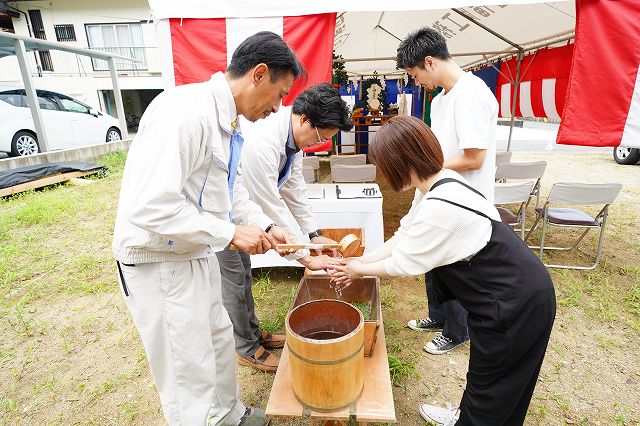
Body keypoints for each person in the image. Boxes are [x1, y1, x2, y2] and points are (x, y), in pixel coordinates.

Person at [112, 31, 304, 426]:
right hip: (158, 262)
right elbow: (149, 205)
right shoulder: (185, 113)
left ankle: (229, 415)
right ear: (259, 74)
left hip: (193, 251)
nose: (278, 107)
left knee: (217, 339)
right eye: (280, 94)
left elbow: (229, 191)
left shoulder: (227, 122)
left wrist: (266, 225)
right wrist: (229, 234)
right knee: (188, 370)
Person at [330, 116, 555, 426]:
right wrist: (361, 262)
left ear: (400, 161)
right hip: (516, 289)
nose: (383, 171)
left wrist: (358, 270)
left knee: (493, 392)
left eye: (383, 164)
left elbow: (404, 262)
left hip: (514, 302)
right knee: (490, 379)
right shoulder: (437, 183)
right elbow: (404, 235)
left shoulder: (439, 205)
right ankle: (466, 415)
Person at [217, 83, 353, 372]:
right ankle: (245, 347)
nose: (319, 145)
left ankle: (254, 334)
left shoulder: (294, 140)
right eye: (321, 138)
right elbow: (271, 204)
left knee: (242, 277)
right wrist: (305, 256)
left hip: (245, 210)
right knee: (234, 280)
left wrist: (314, 235)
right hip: (223, 216)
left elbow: (294, 189)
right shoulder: (264, 141)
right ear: (305, 120)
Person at [396, 27, 499, 355]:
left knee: (453, 263)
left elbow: (473, 157)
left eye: (414, 74)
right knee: (434, 261)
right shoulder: (440, 100)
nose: (415, 83)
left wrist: (426, 169)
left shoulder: (471, 93)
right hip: (438, 191)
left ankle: (457, 331)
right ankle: (437, 316)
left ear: (429, 61)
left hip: (465, 197)